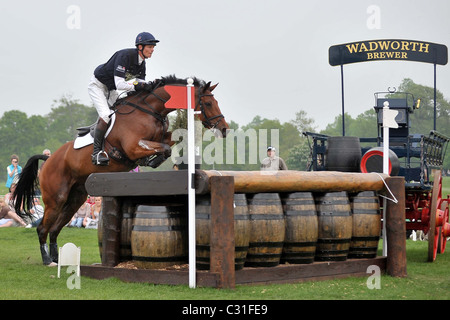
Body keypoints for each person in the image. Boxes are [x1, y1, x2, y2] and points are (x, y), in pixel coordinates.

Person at [88, 31, 160, 166]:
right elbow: (120, 84)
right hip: (98, 86)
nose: (152, 50)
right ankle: (96, 153)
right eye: (150, 47)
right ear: (140, 47)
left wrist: (152, 87)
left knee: (123, 113)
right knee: (106, 115)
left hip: (111, 90)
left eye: (153, 47)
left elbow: (140, 88)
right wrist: (139, 85)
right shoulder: (124, 56)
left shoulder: (142, 64)